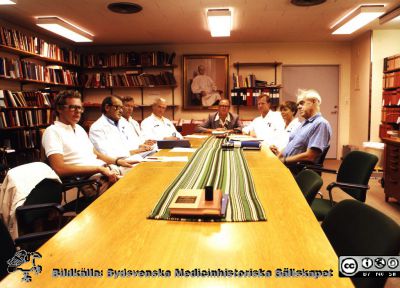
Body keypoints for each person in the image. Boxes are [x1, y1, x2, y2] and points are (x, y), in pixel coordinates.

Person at [42, 90, 136, 194]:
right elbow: (59, 168)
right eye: (73, 107)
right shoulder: (53, 131)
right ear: (60, 109)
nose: (78, 111)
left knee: (141, 172)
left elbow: (96, 154)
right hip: (86, 181)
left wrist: (118, 161)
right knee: (133, 189)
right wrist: (98, 169)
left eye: (80, 108)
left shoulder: (79, 128)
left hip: (104, 171)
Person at [271, 89, 332, 169]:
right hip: (286, 164)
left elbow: (310, 156)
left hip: (296, 169)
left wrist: (284, 160)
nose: (298, 107)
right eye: (298, 104)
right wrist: (277, 158)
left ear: (314, 101)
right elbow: (291, 145)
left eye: (302, 103)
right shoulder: (304, 123)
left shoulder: (320, 124)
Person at [89, 96, 152, 161]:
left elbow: (128, 144)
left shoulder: (121, 124)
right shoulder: (97, 128)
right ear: (107, 107)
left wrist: (140, 146)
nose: (121, 111)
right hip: (116, 164)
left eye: (121, 107)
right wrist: (134, 151)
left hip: (131, 157)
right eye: (117, 107)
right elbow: (107, 154)